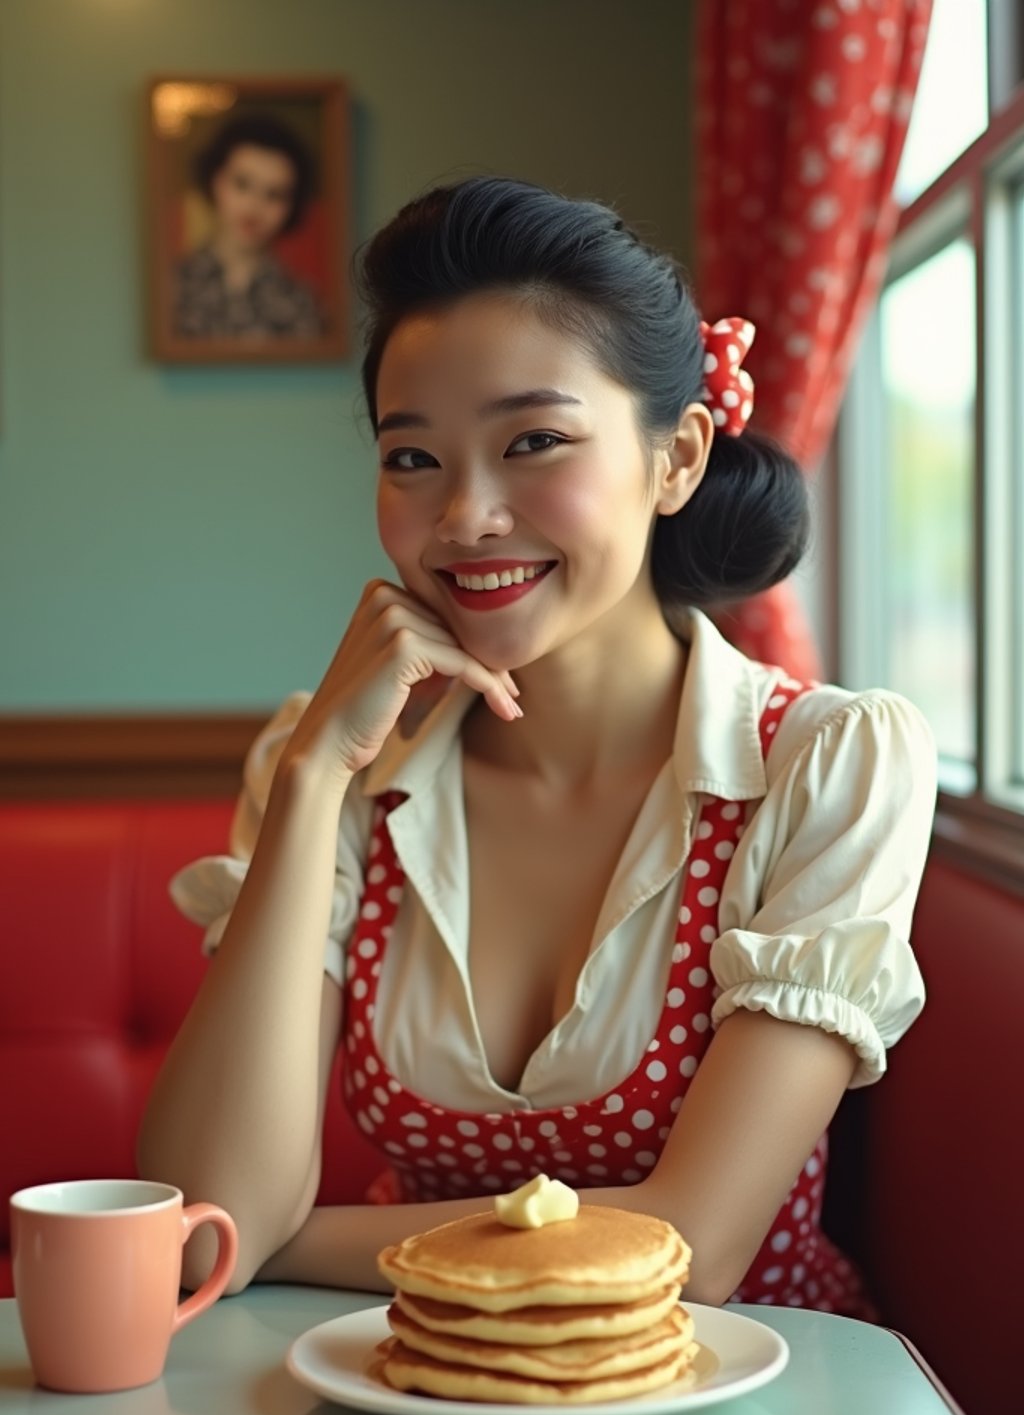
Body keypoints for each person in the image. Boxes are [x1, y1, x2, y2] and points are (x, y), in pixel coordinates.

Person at [139, 177, 936, 1313]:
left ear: (679, 457)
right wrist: (318, 775)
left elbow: (693, 1250)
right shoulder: (327, 773)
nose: (464, 515)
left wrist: (283, 1240)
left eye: (534, 442)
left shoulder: (823, 765)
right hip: (410, 1397)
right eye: (412, 458)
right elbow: (197, 1211)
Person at [173, 113, 325, 341]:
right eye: (242, 184)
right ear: (216, 181)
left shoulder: (302, 303)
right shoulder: (172, 288)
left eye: (274, 195)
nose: (254, 207)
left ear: (291, 206)